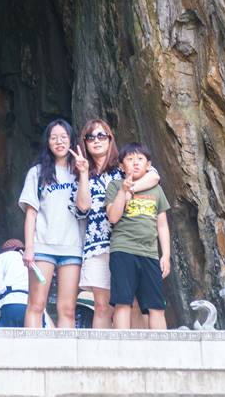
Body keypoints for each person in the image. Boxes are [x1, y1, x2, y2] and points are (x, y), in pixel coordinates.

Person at [69, 119, 160, 328]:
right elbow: (83, 206)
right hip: (97, 244)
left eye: (102, 135)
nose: (96, 140)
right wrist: (83, 174)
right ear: (84, 143)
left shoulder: (122, 169)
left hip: (128, 242)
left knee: (133, 303)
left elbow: (154, 175)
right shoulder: (82, 174)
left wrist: (129, 189)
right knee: (101, 306)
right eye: (91, 137)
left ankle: (136, 354)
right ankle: (102, 357)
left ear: (110, 139)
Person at [19, 118, 82, 328]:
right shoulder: (37, 173)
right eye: (54, 137)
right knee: (36, 304)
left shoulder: (81, 172)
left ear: (72, 141)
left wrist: (83, 173)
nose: (59, 141)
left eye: (63, 137)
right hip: (43, 245)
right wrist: (29, 249)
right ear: (47, 142)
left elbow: (86, 206)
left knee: (68, 309)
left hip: (72, 246)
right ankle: (34, 357)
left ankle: (65, 359)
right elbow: (31, 213)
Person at [105, 142, 170, 330]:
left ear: (148, 165)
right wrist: (124, 191)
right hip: (123, 249)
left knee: (156, 305)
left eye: (140, 159)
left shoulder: (156, 190)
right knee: (123, 302)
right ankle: (121, 349)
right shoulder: (115, 185)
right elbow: (113, 217)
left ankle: (161, 352)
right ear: (121, 165)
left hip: (150, 253)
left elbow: (162, 224)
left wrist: (165, 255)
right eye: (130, 159)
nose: (135, 163)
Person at [0, 238, 29, 327]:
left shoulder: (1, 258)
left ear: (4, 250)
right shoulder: (31, 260)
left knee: (5, 340)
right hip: (31, 308)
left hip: (8, 305)